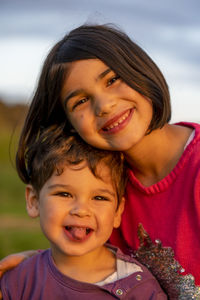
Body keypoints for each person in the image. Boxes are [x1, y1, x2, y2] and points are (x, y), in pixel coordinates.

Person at [0, 23, 199, 288]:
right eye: (80, 101)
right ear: (69, 124)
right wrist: (40, 266)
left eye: (113, 80)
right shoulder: (100, 189)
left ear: (140, 70)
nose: (104, 105)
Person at [0, 124, 166, 299]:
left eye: (99, 198)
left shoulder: (140, 290)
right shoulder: (19, 280)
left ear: (118, 211)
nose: (81, 210)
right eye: (64, 194)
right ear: (33, 201)